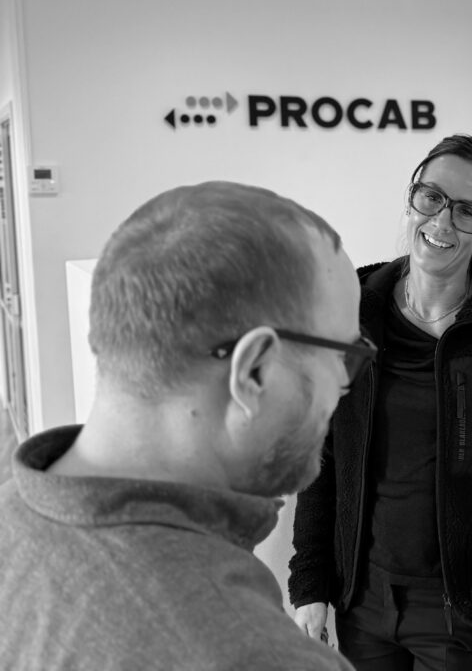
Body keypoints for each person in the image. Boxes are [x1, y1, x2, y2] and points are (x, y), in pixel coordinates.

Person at [0, 181, 369, 670]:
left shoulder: (12, 525)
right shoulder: (257, 654)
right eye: (342, 355)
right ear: (254, 371)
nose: (344, 386)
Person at [289, 134, 472, 670]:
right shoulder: (354, 308)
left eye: (467, 211)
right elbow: (322, 451)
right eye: (433, 197)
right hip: (361, 598)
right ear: (412, 197)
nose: (443, 221)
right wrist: (311, 582)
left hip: (465, 611)